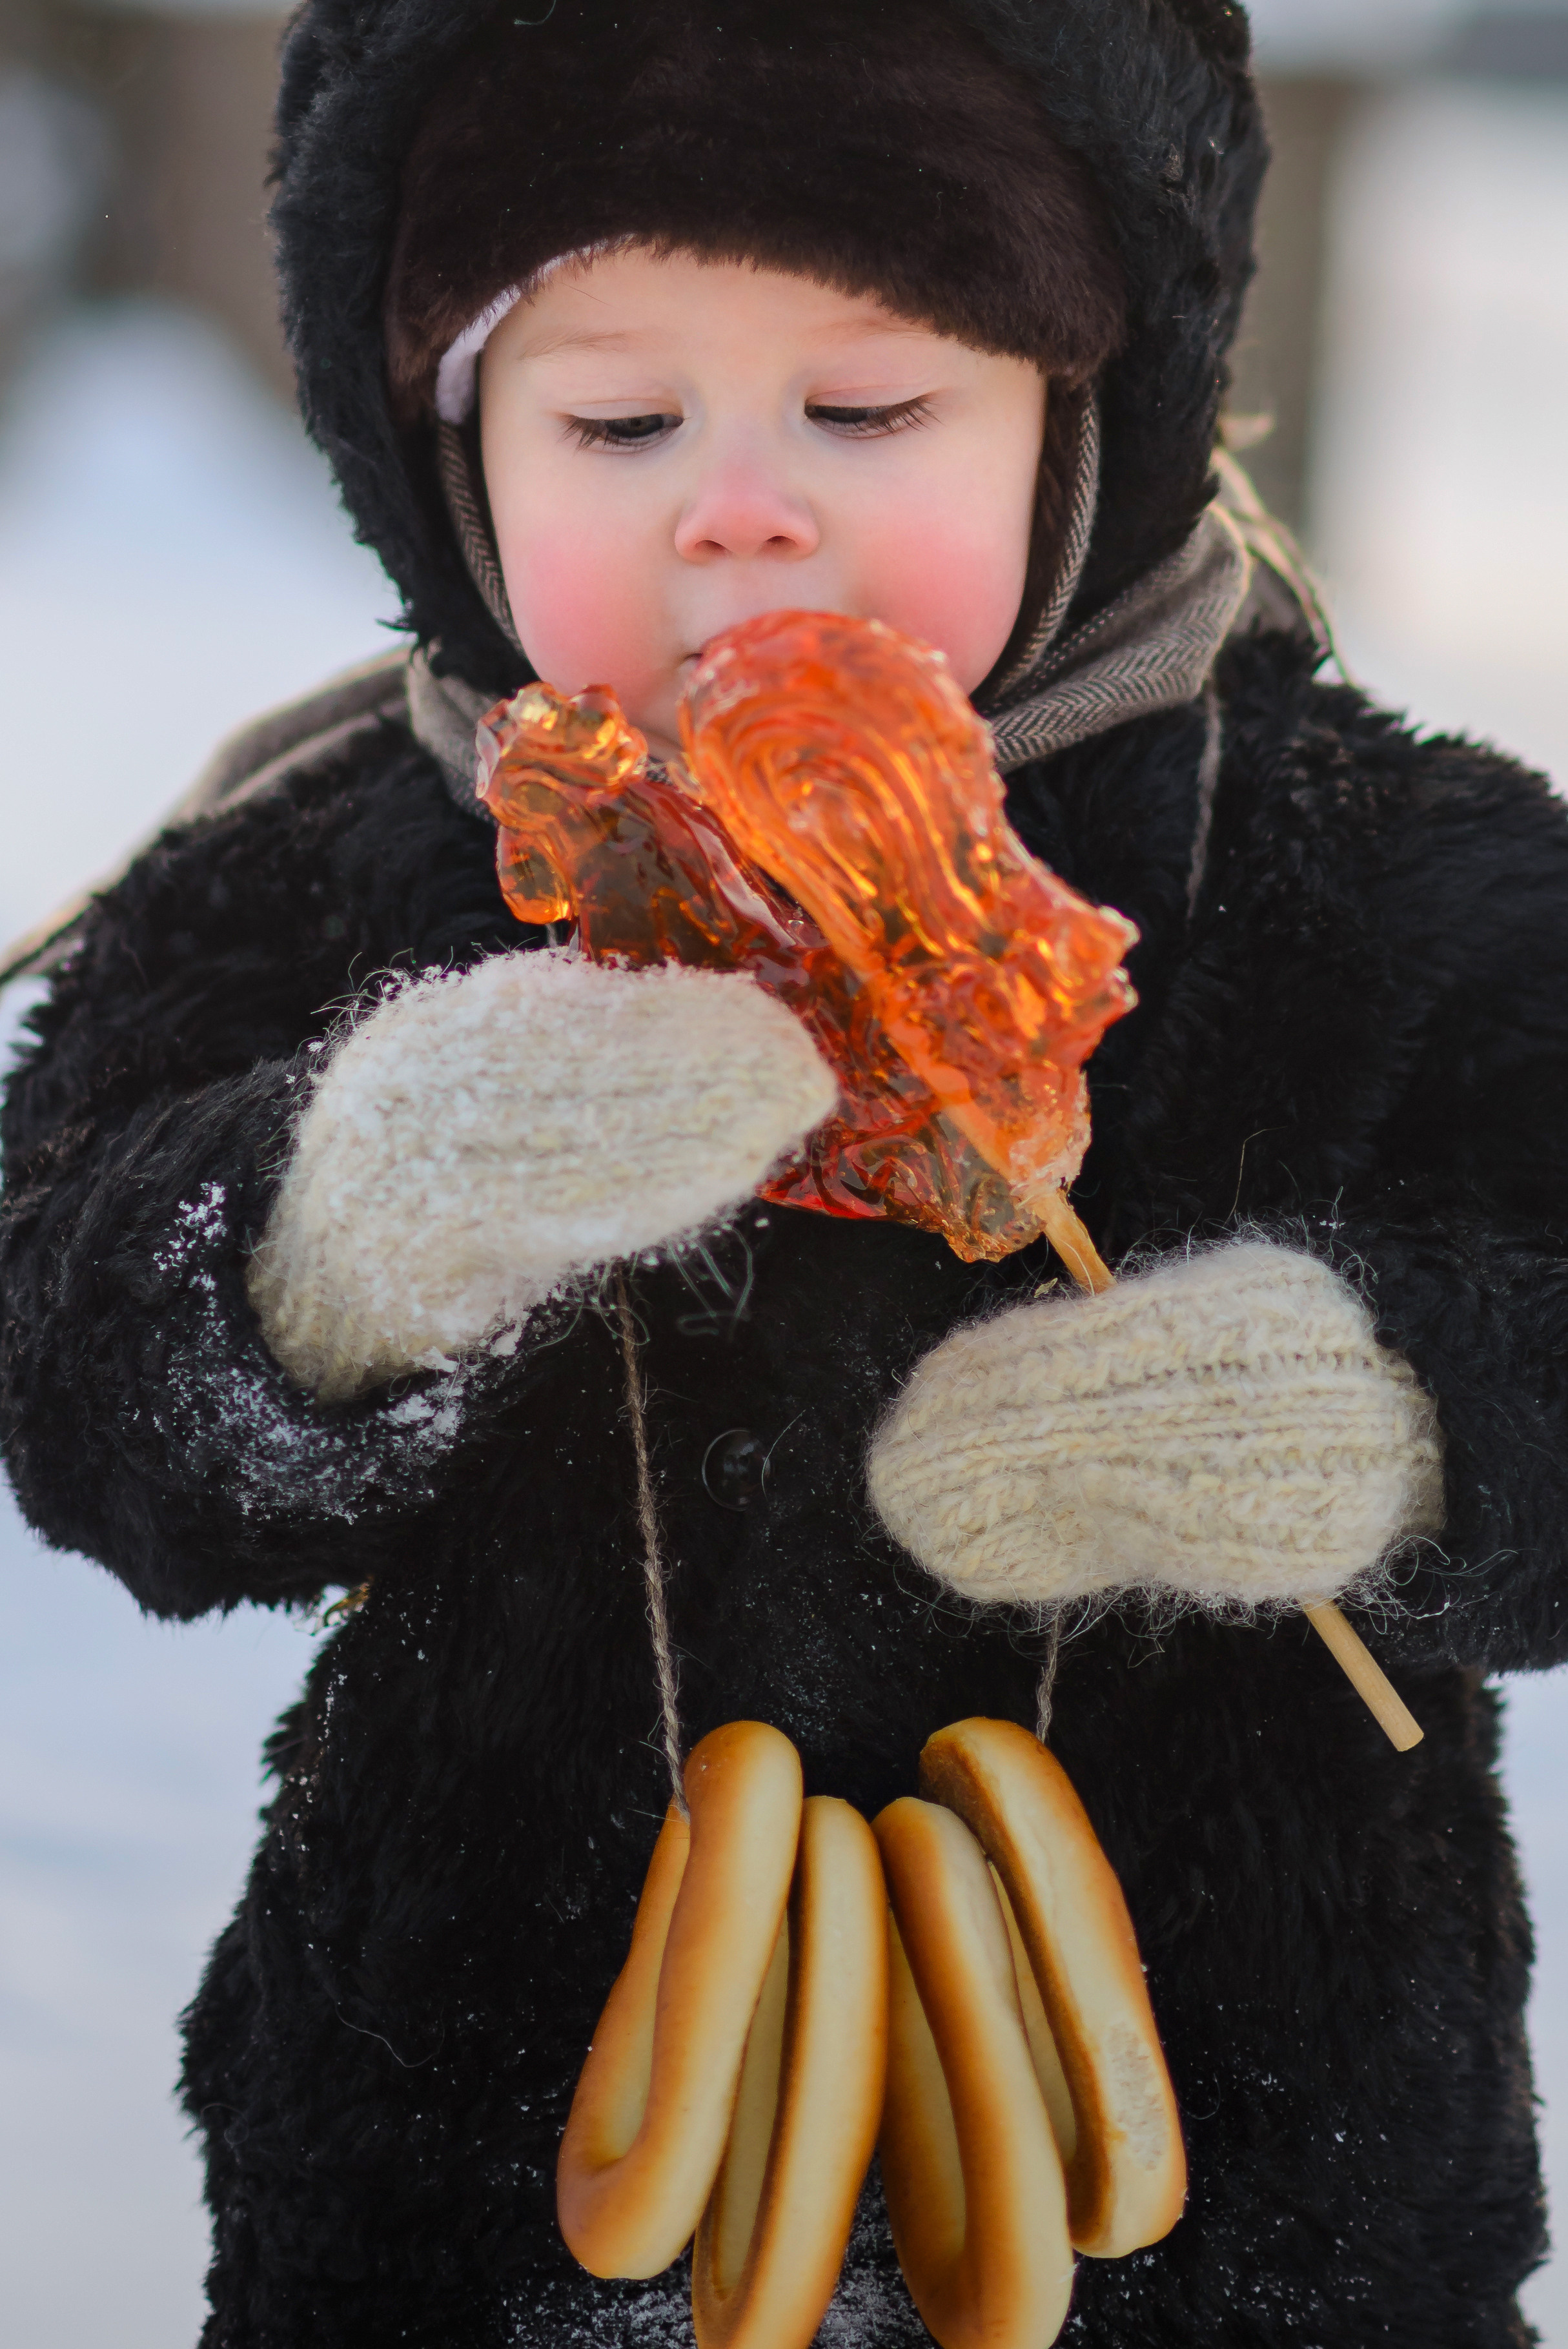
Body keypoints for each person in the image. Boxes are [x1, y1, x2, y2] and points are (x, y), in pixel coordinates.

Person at [1, 1, 1562, 2341]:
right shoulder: (335, 871)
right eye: (619, 419)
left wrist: (1402, 1414)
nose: (741, 500)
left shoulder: (1367, 858)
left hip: (1253, 2192)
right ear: (444, 463)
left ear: (1083, 417)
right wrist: (330, 1237)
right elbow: (74, 1377)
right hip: (481, 2172)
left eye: (868, 407)